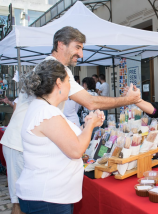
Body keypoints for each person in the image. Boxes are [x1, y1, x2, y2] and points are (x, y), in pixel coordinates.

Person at [0, 26, 140, 214]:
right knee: (20, 202)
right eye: (77, 47)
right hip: (20, 144)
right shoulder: (56, 71)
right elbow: (90, 101)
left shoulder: (52, 72)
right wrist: (129, 100)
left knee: (24, 201)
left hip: (31, 140)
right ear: (60, 44)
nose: (81, 54)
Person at [16, 60, 105, 214]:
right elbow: (76, 150)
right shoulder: (47, 112)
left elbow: (65, 138)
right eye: (68, 82)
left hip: (50, 196)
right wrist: (90, 126)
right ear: (59, 83)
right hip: (48, 198)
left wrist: (89, 123)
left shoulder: (44, 108)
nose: (70, 87)